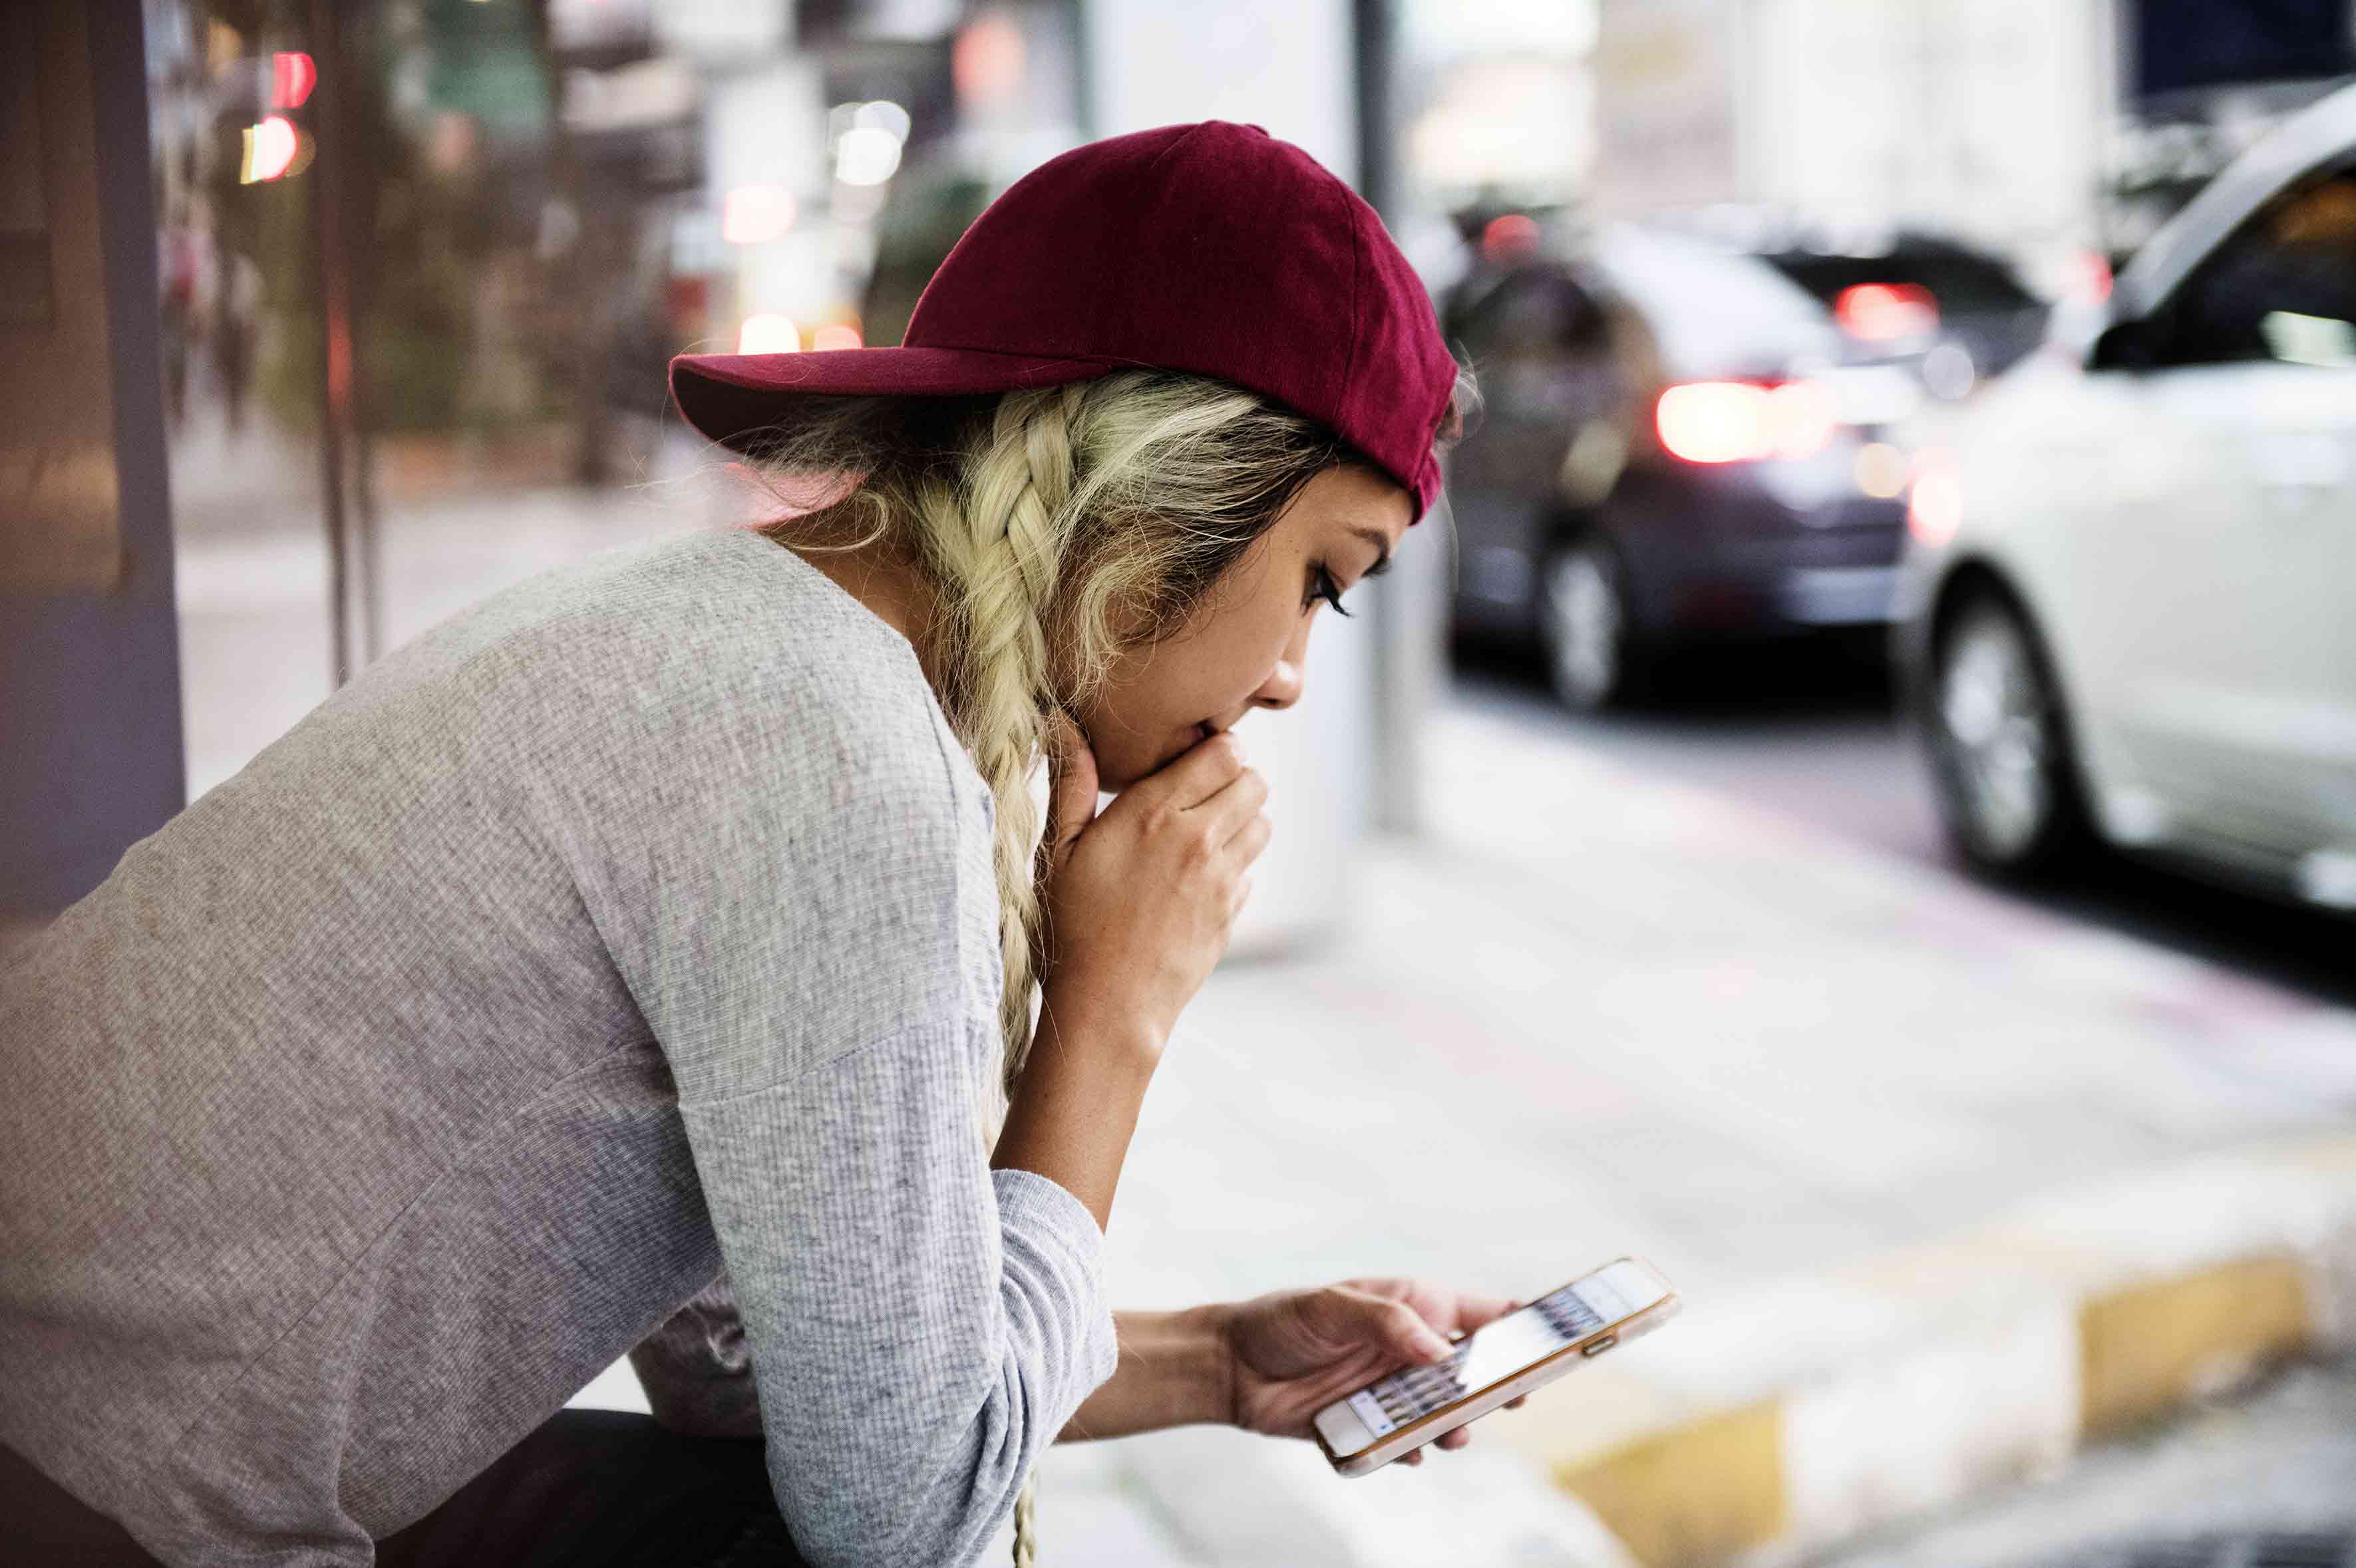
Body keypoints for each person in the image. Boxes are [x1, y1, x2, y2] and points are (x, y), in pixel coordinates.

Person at [0, 122, 1508, 1568]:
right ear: (1163, 491)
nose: (1292, 674)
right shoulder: (838, 755)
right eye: (1326, 574)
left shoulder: (753, 642)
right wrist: (1113, 1017)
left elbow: (763, 1381)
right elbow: (905, 1523)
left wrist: (1218, 1361)